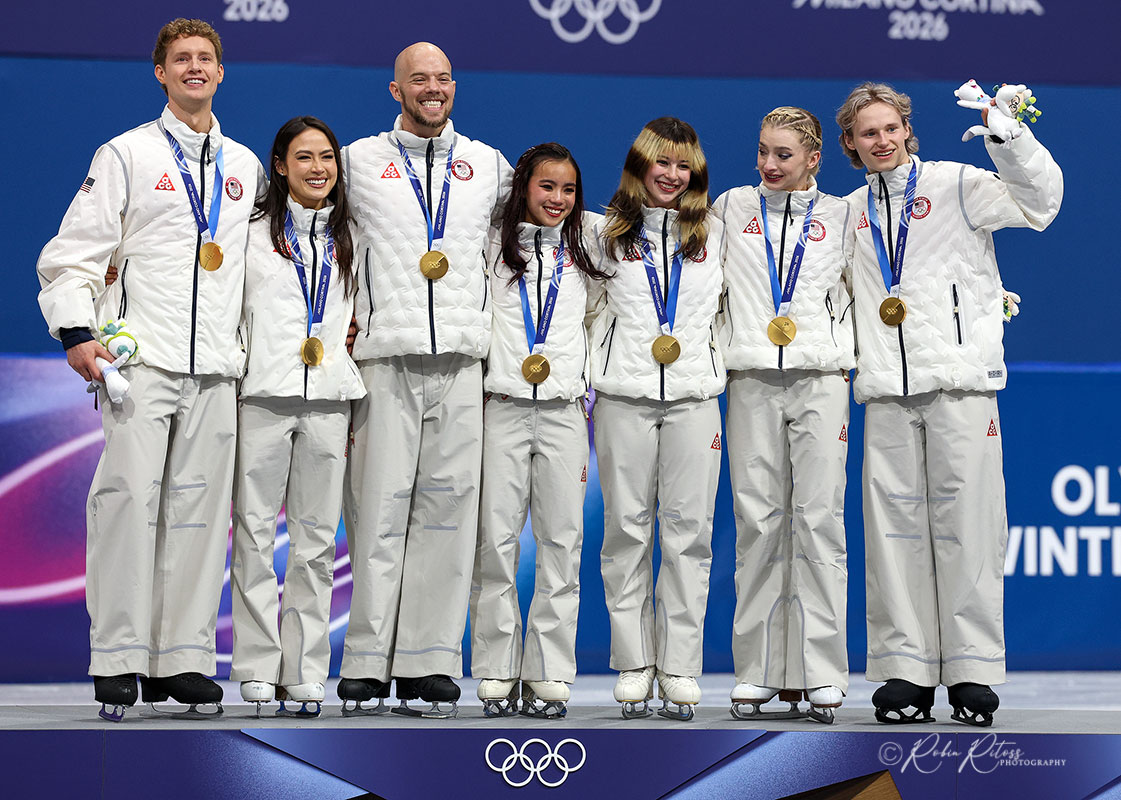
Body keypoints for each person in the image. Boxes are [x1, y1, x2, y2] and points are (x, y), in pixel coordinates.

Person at [36, 18, 263, 721]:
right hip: (141, 363)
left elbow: (257, 276)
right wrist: (77, 331)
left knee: (200, 517)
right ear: (160, 73)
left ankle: (183, 660)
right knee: (127, 506)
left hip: (217, 368)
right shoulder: (126, 154)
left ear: (220, 72)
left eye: (206, 58)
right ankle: (118, 659)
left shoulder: (245, 167)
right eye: (181, 58)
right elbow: (74, 253)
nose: (195, 67)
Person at [837, 82, 1062, 726]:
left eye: (891, 128)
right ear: (851, 144)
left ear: (908, 129)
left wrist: (1007, 136)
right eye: (868, 133)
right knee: (893, 536)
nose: (882, 141)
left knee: (971, 528)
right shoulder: (848, 213)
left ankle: (971, 669)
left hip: (962, 383)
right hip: (886, 389)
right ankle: (905, 671)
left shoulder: (958, 184)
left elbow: (1041, 204)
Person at [338, 42, 513, 718]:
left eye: (442, 79)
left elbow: (539, 229)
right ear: (395, 90)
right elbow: (309, 233)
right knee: (377, 513)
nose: (431, 89)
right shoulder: (356, 161)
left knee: (448, 517)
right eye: (418, 80)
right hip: (385, 359)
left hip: (462, 363)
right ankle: (366, 662)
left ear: (454, 86)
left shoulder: (487, 165)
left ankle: (429, 661)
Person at [715, 107, 854, 724]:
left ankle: (821, 671)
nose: (768, 165)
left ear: (813, 159)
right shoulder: (730, 208)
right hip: (750, 378)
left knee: (819, 519)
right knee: (758, 523)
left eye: (783, 154)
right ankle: (759, 669)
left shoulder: (843, 216)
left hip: (820, 378)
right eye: (762, 151)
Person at [588, 117, 725, 722]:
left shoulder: (718, 232)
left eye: (683, 164)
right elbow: (582, 308)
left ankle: (679, 665)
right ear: (639, 165)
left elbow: (735, 305)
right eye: (661, 162)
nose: (671, 175)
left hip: (695, 396)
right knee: (626, 531)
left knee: (689, 534)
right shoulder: (603, 233)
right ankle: (634, 663)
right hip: (624, 394)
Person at [229, 117, 364, 718]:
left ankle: (306, 669)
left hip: (330, 399)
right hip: (262, 395)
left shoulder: (352, 233)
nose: (318, 168)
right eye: (304, 157)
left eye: (327, 157)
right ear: (280, 166)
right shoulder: (248, 232)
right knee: (255, 535)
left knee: (315, 543)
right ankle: (258, 665)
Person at [469, 143, 607, 719]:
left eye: (568, 189)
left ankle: (548, 672)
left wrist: (585, 379)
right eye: (547, 186)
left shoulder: (590, 243)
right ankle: (497, 669)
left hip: (564, 412)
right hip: (500, 406)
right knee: (495, 544)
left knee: (561, 544)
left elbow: (601, 314)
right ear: (523, 186)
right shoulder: (490, 247)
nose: (558, 198)